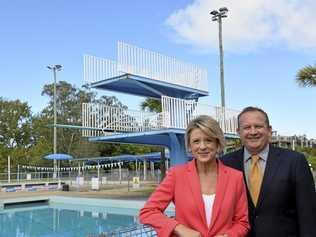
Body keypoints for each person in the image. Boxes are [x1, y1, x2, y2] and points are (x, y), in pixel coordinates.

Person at [139, 115, 249, 237]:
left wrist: (228, 236)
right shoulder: (176, 175)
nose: (202, 146)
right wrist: (178, 228)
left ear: (218, 144)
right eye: (196, 141)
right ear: (190, 146)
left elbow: (242, 223)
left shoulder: (236, 177)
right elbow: (148, 212)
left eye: (208, 140)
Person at [221, 106, 316, 237]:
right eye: (247, 127)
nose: (253, 132)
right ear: (238, 132)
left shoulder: (294, 161)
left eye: (258, 126)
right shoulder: (225, 163)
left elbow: (308, 214)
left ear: (269, 130)